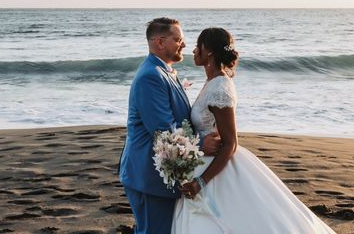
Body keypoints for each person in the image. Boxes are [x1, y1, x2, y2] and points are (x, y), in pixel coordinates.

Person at [172, 27, 337, 234]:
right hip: (202, 159)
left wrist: (201, 182)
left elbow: (231, 142)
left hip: (214, 170)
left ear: (210, 52)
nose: (194, 50)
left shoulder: (220, 88)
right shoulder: (212, 82)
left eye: (199, 46)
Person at [119, 18, 221, 234]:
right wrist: (202, 144)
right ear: (160, 42)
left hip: (162, 176)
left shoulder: (164, 72)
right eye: (178, 39)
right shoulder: (151, 76)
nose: (183, 44)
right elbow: (163, 131)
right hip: (147, 177)